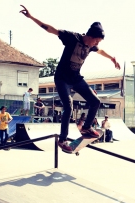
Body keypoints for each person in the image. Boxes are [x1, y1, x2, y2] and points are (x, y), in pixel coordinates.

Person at [20, 5, 120, 152]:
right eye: (96, 41)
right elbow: (50, 29)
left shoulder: (92, 46)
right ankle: (62, 139)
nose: (96, 44)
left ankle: (86, 128)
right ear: (90, 36)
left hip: (76, 78)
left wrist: (112, 58)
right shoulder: (72, 38)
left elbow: (101, 51)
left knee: (95, 101)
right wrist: (31, 17)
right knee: (68, 106)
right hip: (61, 78)